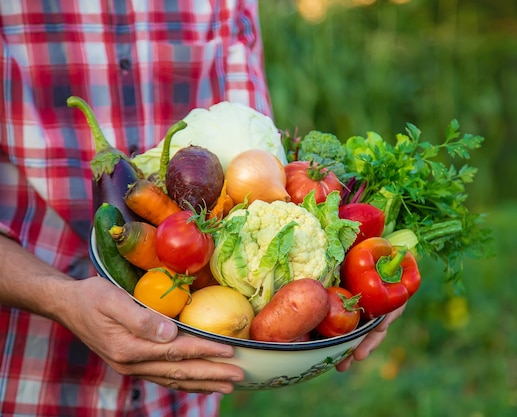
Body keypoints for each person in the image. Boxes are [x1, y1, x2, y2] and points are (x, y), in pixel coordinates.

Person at [0, 1, 404, 416]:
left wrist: (379, 275)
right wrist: (60, 299)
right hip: (31, 371)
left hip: (190, 389)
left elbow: (260, 150)